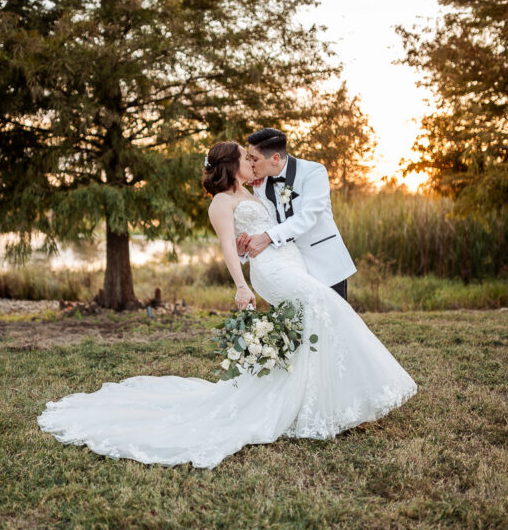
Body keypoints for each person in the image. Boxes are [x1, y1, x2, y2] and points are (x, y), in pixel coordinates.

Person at [37, 141, 417, 469]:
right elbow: (227, 248)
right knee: (326, 306)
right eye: (244, 156)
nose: (251, 161)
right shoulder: (221, 202)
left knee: (312, 320)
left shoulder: (256, 192)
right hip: (270, 271)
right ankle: (338, 399)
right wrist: (240, 285)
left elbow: (274, 225)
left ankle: (316, 402)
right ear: (230, 164)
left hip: (292, 262)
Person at [238, 128, 356, 300]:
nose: (251, 164)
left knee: (334, 322)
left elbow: (308, 217)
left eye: (254, 159)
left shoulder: (314, 172)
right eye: (249, 158)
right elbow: (263, 221)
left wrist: (268, 237)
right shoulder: (259, 184)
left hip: (324, 264)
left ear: (275, 158)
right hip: (287, 270)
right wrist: (244, 251)